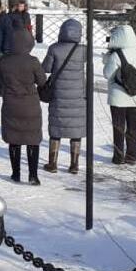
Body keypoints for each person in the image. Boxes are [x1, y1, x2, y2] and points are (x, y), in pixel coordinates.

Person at [0, 28, 48, 184]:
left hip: (11, 104)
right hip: (30, 105)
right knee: (32, 139)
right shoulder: (33, 61)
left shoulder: (4, 61)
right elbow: (42, 82)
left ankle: (16, 173)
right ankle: (33, 175)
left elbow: (1, 81)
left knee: (14, 139)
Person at [41, 18, 86, 174]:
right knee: (76, 130)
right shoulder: (82, 50)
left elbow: (45, 68)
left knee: (56, 129)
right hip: (78, 95)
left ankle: (52, 163)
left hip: (59, 94)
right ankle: (74, 164)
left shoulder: (54, 49)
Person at [103, 24, 136, 165]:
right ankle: (132, 156)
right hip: (135, 95)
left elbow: (107, 74)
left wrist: (106, 60)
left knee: (119, 128)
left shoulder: (116, 55)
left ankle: (118, 156)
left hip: (118, 97)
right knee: (134, 128)